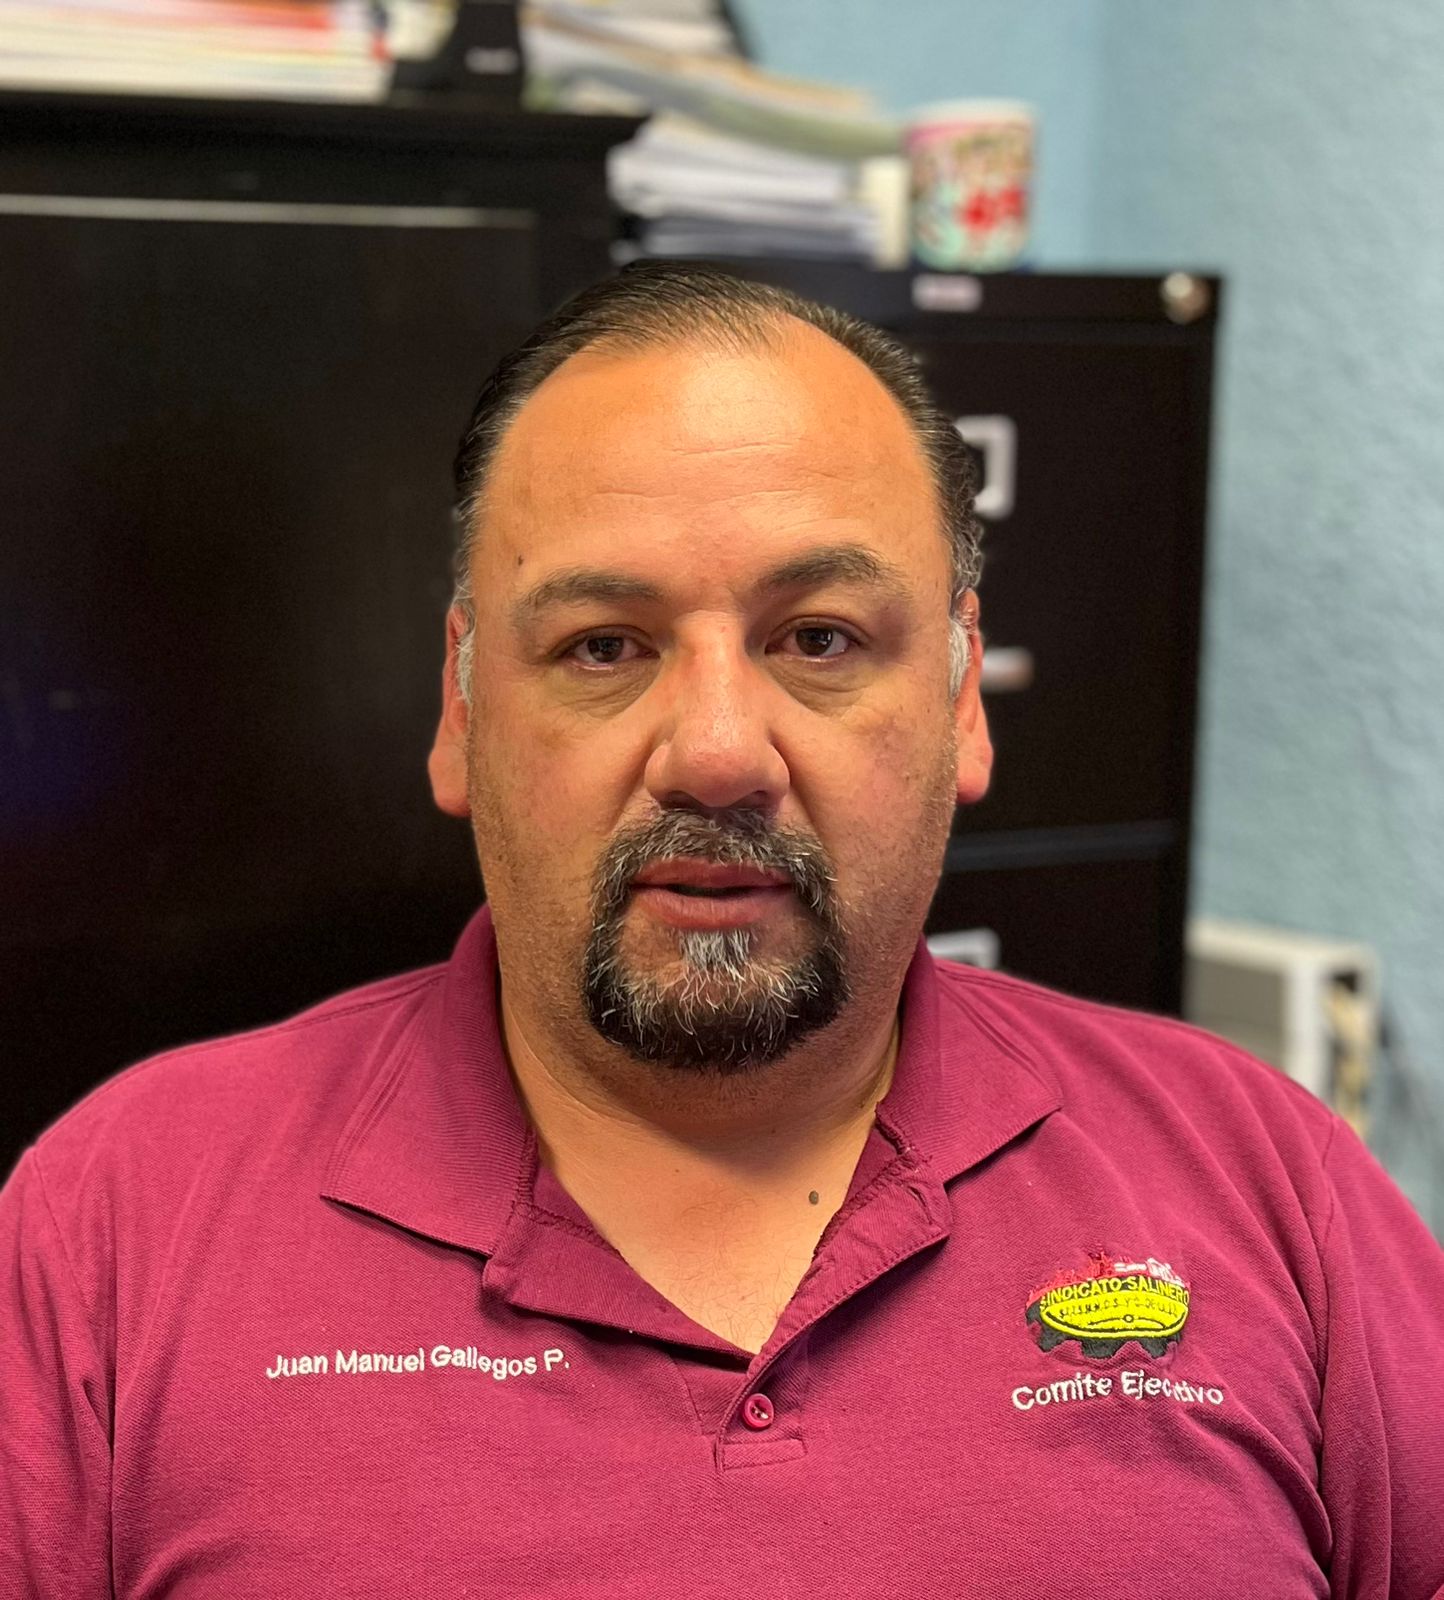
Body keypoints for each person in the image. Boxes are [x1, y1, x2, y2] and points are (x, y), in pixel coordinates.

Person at [2, 263, 1441, 1598]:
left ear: (960, 700)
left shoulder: (1269, 1187)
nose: (714, 754)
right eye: (603, 646)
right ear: (461, 709)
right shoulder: (117, 1226)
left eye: (818, 639)